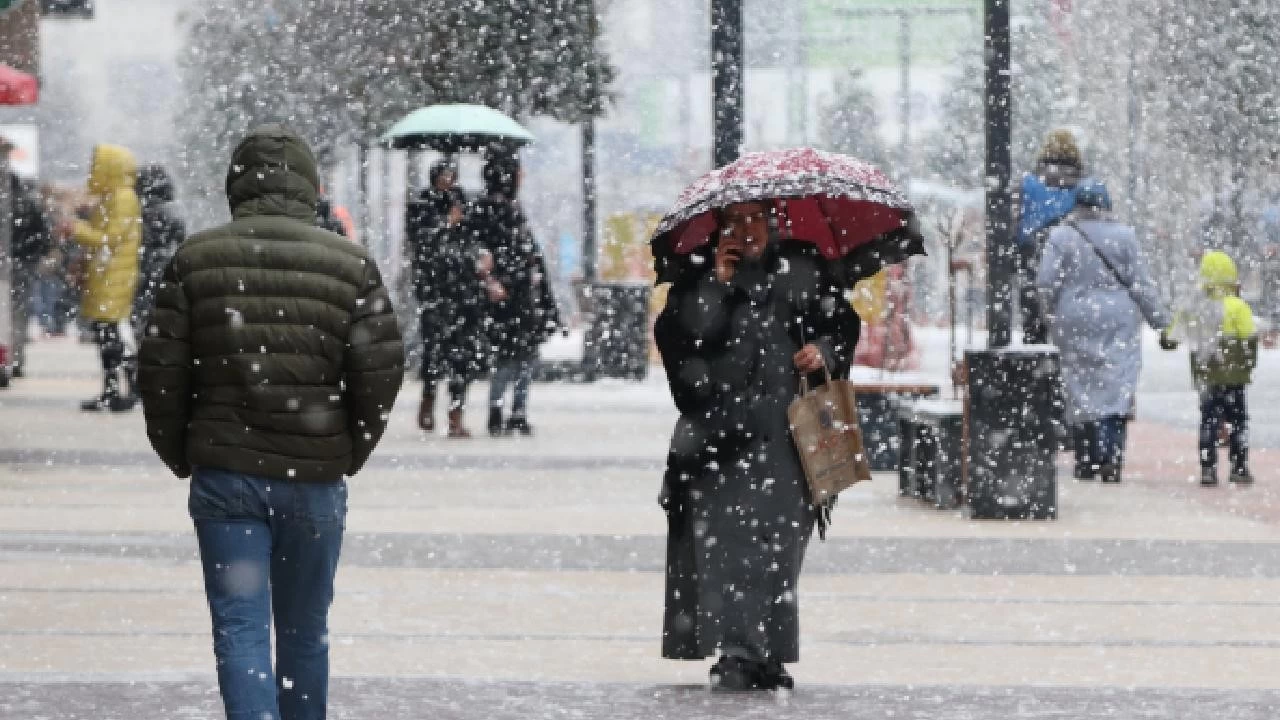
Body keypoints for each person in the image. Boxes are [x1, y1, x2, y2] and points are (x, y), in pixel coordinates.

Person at [138, 124, 404, 720]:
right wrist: (348, 446)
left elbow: (160, 369)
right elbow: (380, 370)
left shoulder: (196, 259)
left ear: (236, 185)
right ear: (310, 187)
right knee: (306, 631)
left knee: (241, 630)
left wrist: (181, 448)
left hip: (226, 475)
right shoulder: (350, 263)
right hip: (313, 479)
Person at [655, 201, 860, 691]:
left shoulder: (803, 269)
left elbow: (843, 325)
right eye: (733, 222)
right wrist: (719, 288)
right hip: (720, 441)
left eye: (754, 219)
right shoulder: (698, 280)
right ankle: (736, 651)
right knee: (727, 547)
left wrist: (824, 352)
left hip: (790, 436)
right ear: (718, 228)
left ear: (772, 220)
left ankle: (768, 651)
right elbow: (682, 348)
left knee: (781, 548)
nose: (746, 230)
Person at [1036, 178, 1169, 483]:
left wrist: (1052, 314)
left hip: (1074, 316)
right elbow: (1141, 284)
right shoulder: (1125, 236)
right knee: (1117, 384)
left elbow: (1046, 281)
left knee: (1079, 385)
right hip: (1118, 318)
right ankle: (1111, 455)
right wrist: (1160, 321)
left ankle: (1086, 458)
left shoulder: (1061, 236)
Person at [469, 152, 562, 436]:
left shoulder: (505, 207)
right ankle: (505, 413)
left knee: (519, 357)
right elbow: (505, 251)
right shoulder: (495, 209)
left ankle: (511, 412)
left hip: (517, 295)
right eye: (518, 172)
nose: (522, 177)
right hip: (510, 296)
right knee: (513, 357)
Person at [1159, 251, 1257, 486]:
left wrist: (1168, 337)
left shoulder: (1195, 308)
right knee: (1238, 421)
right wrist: (1247, 364)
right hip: (1234, 375)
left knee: (1209, 420)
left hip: (1207, 375)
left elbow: (1170, 339)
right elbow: (1249, 337)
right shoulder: (1237, 306)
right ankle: (1239, 467)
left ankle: (1208, 468)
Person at [408, 158, 489, 437]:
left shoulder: (463, 203)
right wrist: (445, 223)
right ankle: (428, 400)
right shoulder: (421, 205)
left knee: (462, 357)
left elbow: (473, 239)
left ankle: (456, 415)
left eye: (451, 176)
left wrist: (480, 256)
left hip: (464, 292)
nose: (448, 181)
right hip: (435, 291)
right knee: (434, 352)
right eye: (443, 176)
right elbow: (421, 243)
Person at [72, 144, 143, 411]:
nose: (92, 171)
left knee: (111, 336)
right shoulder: (113, 196)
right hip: (106, 276)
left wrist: (77, 230)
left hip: (114, 277)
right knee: (108, 336)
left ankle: (123, 390)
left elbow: (111, 238)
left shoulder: (122, 197)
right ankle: (117, 389)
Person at [1017, 129, 1083, 345]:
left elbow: (1015, 221)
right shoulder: (1083, 187)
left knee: (1033, 314)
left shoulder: (1028, 184)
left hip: (1032, 254)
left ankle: (1035, 362)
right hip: (1070, 256)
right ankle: (1065, 365)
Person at [3, 143, 51, 377]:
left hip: (7, 263)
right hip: (23, 265)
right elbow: (44, 236)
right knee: (18, 314)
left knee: (7, 313)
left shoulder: (10, 204)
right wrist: (34, 257)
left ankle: (6, 358)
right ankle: (17, 358)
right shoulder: (29, 202)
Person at [133, 164, 186, 334]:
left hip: (143, 265)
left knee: (143, 309)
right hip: (167, 265)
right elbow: (181, 240)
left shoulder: (140, 212)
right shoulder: (173, 212)